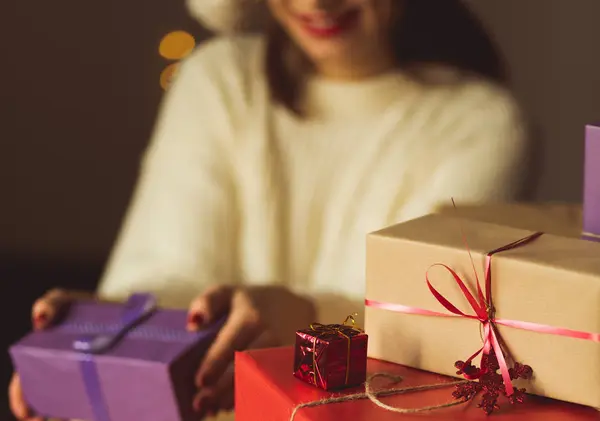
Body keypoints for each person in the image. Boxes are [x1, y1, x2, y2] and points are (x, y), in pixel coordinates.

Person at [9, 0, 535, 419]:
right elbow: (163, 272)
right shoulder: (216, 79)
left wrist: (304, 319)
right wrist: (97, 328)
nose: (315, 2)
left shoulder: (482, 123)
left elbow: (438, 332)